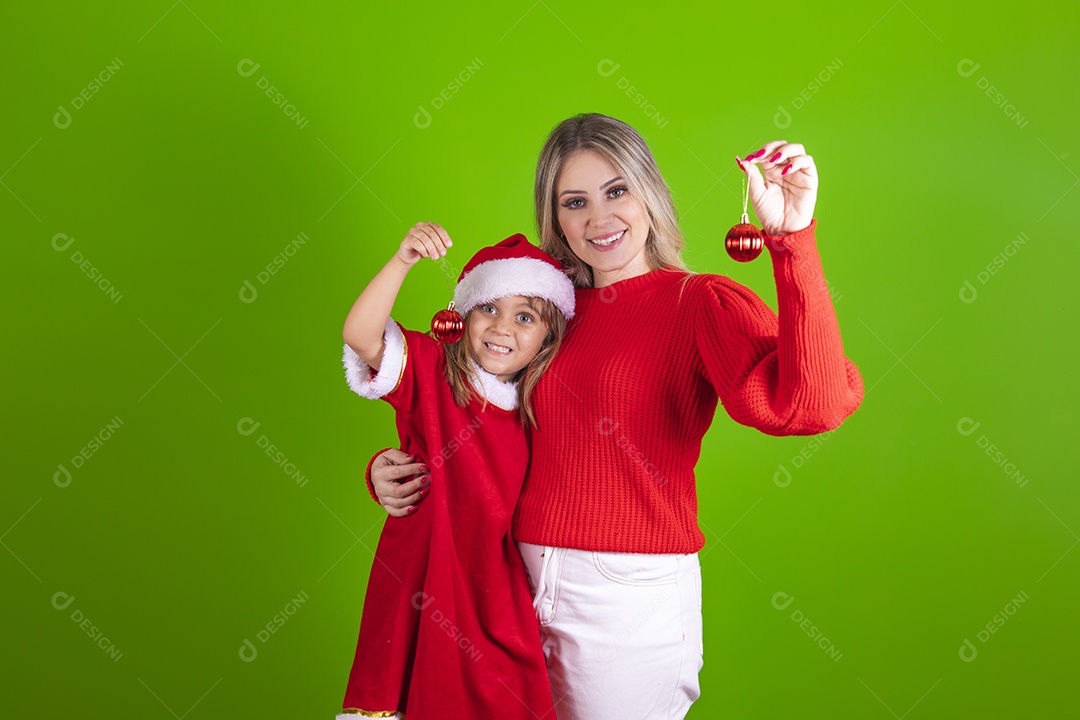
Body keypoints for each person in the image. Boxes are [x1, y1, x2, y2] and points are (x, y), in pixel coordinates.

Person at [364, 114, 864, 719]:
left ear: (648, 193)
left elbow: (810, 407)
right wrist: (395, 468)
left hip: (625, 598)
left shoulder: (696, 302)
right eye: (575, 202)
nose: (599, 219)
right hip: (508, 587)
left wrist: (793, 240)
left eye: (616, 191)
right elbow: (471, 419)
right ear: (556, 220)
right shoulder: (545, 316)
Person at [336, 226, 576, 719]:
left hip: (495, 583)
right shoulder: (431, 368)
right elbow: (360, 336)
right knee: (407, 686)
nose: (501, 327)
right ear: (463, 315)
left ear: (548, 337)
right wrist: (402, 260)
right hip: (424, 566)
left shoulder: (544, 405)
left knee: (502, 693)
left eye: (524, 316)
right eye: (488, 308)